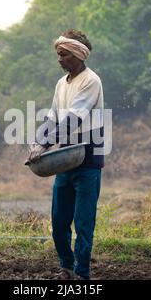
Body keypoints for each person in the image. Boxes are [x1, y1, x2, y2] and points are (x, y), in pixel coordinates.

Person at [27, 29, 104, 280]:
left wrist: (46, 144)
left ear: (78, 55)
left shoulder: (91, 81)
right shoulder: (61, 84)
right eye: (58, 55)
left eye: (64, 55)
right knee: (59, 221)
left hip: (88, 159)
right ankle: (66, 267)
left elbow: (73, 119)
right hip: (66, 158)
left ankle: (82, 274)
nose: (59, 59)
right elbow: (52, 117)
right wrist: (38, 141)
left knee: (83, 223)